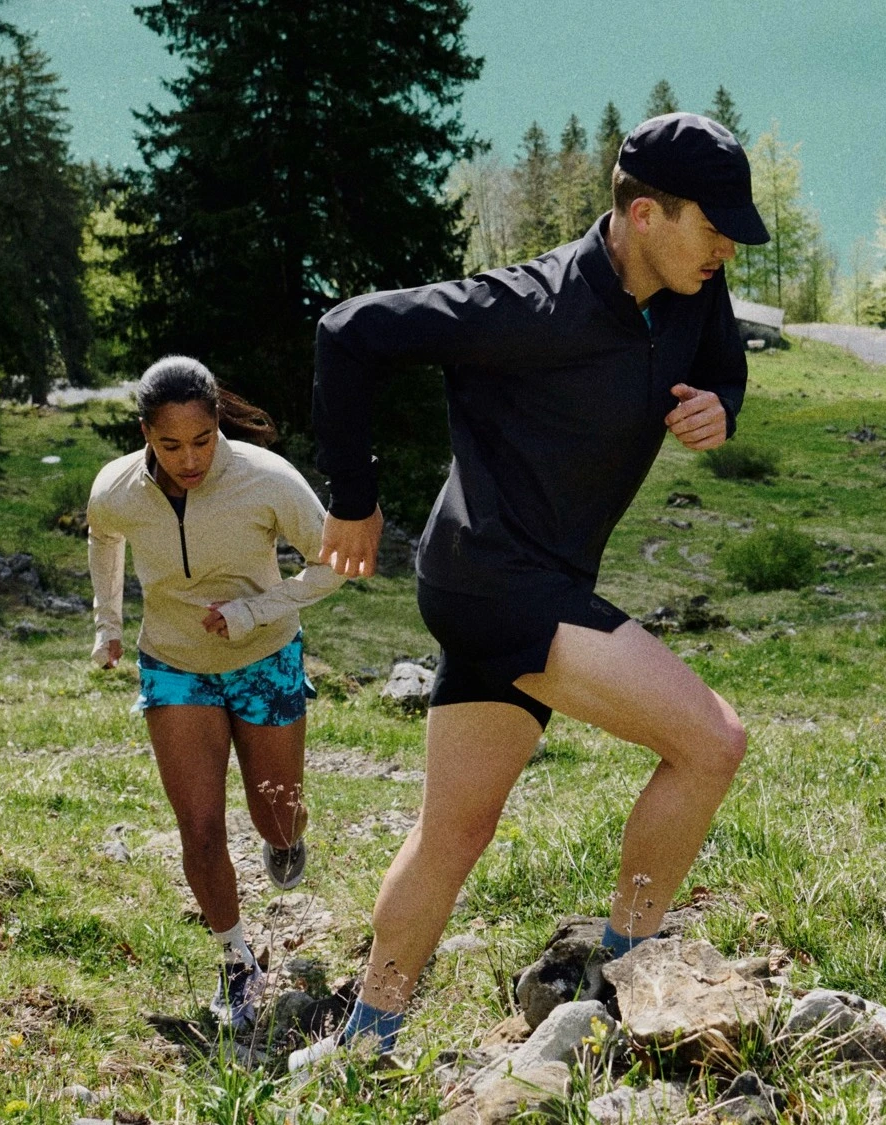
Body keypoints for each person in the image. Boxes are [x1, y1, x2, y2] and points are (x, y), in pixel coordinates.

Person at [292, 114, 766, 1068]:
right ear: (643, 213)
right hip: (493, 582)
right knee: (711, 743)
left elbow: (719, 363)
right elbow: (346, 333)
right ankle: (630, 981)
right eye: (712, 228)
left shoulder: (688, 293)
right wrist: (353, 500)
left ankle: (364, 1040)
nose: (726, 249)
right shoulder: (527, 305)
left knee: (453, 831)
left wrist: (723, 406)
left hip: (527, 585)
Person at [86, 356, 347, 1032]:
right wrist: (108, 625)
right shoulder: (116, 487)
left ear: (217, 423)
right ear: (146, 431)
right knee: (198, 828)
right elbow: (103, 537)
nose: (189, 458)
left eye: (201, 440)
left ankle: (286, 841)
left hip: (263, 658)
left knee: (276, 817)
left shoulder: (266, 479)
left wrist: (255, 611)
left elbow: (333, 563)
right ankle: (237, 963)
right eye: (170, 444)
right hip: (174, 663)